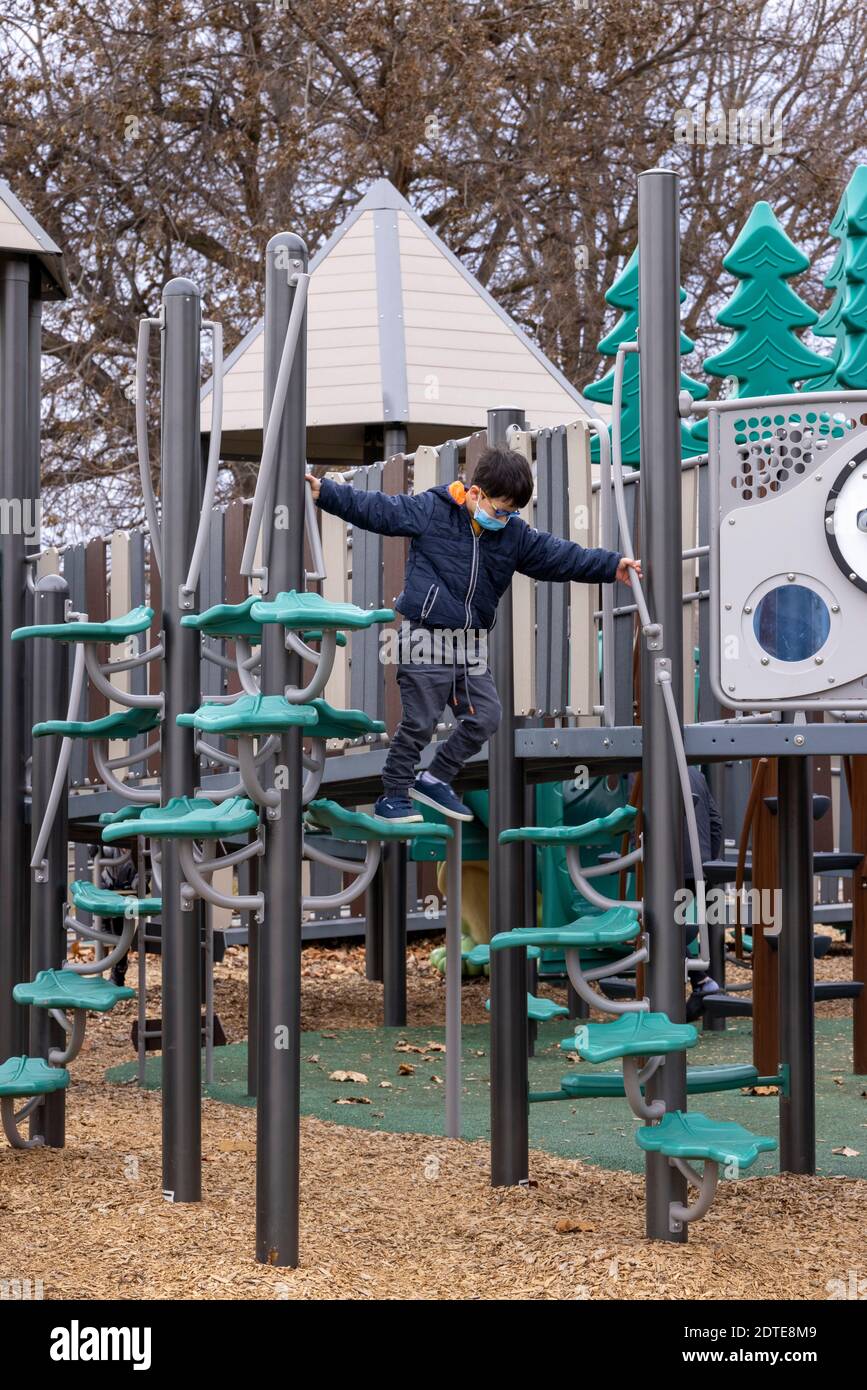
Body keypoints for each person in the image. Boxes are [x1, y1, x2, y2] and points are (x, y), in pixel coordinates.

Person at [308, 448, 639, 822]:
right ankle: (394, 794)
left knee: (486, 716)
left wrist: (611, 566)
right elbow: (379, 509)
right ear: (476, 494)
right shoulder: (433, 511)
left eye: (513, 513)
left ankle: (435, 779)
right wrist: (329, 493)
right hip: (424, 637)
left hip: (469, 646)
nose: (506, 518)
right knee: (421, 720)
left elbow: (559, 555)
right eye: (501, 510)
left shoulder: (512, 535)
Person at [684, 766, 724, 1020]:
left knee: (659, 925)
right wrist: (708, 863)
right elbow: (716, 822)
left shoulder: (647, 769)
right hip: (701, 863)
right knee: (673, 923)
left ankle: (700, 980)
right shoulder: (696, 774)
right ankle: (701, 981)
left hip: (671, 863)